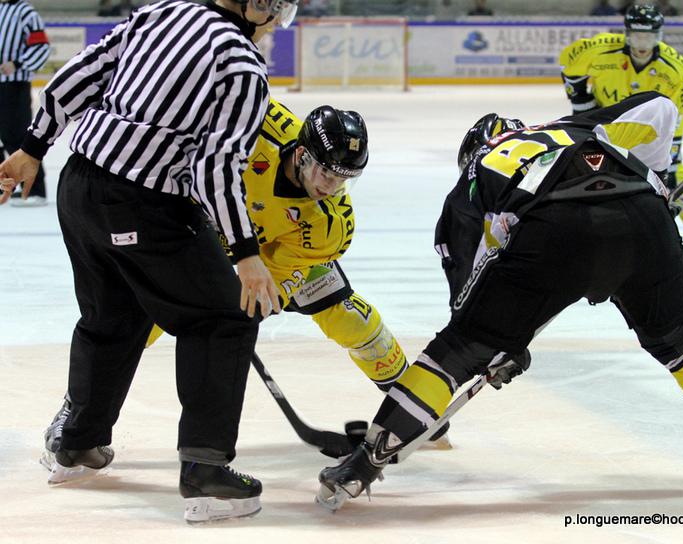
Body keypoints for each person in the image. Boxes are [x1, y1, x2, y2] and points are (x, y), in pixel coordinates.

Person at [315, 92, 683, 509]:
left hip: (555, 232)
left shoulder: (474, 176)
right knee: (680, 338)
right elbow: (662, 105)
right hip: (644, 216)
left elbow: (466, 299)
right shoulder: (570, 127)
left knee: (456, 351)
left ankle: (361, 467)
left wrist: (499, 347)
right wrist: (654, 177)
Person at [0, 0, 301, 523]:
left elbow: (77, 75)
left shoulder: (161, 11)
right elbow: (215, 168)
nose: (277, 22)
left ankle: (76, 444)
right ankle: (206, 472)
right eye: (276, 10)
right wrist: (247, 254)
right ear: (255, 5)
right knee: (224, 316)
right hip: (143, 202)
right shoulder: (241, 62)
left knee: (113, 314)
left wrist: (31, 147)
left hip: (79, 188)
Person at [40, 98, 451, 473]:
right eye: (326, 174)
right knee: (137, 323)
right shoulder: (256, 125)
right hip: (204, 234)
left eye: (343, 179)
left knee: (352, 320)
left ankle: (410, 406)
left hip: (277, 255)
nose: (331, 188)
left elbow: (276, 281)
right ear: (302, 155)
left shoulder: (330, 223)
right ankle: (76, 413)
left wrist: (242, 297)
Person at [559, 4, 683, 261]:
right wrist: (581, 104)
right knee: (594, 173)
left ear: (659, 36)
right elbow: (569, 64)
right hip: (609, 127)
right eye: (637, 36)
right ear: (627, 34)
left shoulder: (674, 67)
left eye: (649, 36)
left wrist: (673, 150)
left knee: (673, 173)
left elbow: (677, 111)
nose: (643, 43)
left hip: (647, 131)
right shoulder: (600, 49)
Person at [0, 0, 51, 206]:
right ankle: (6, 185)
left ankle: (35, 190)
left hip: (14, 84)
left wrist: (18, 63)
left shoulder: (25, 12)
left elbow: (41, 45)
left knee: (17, 136)